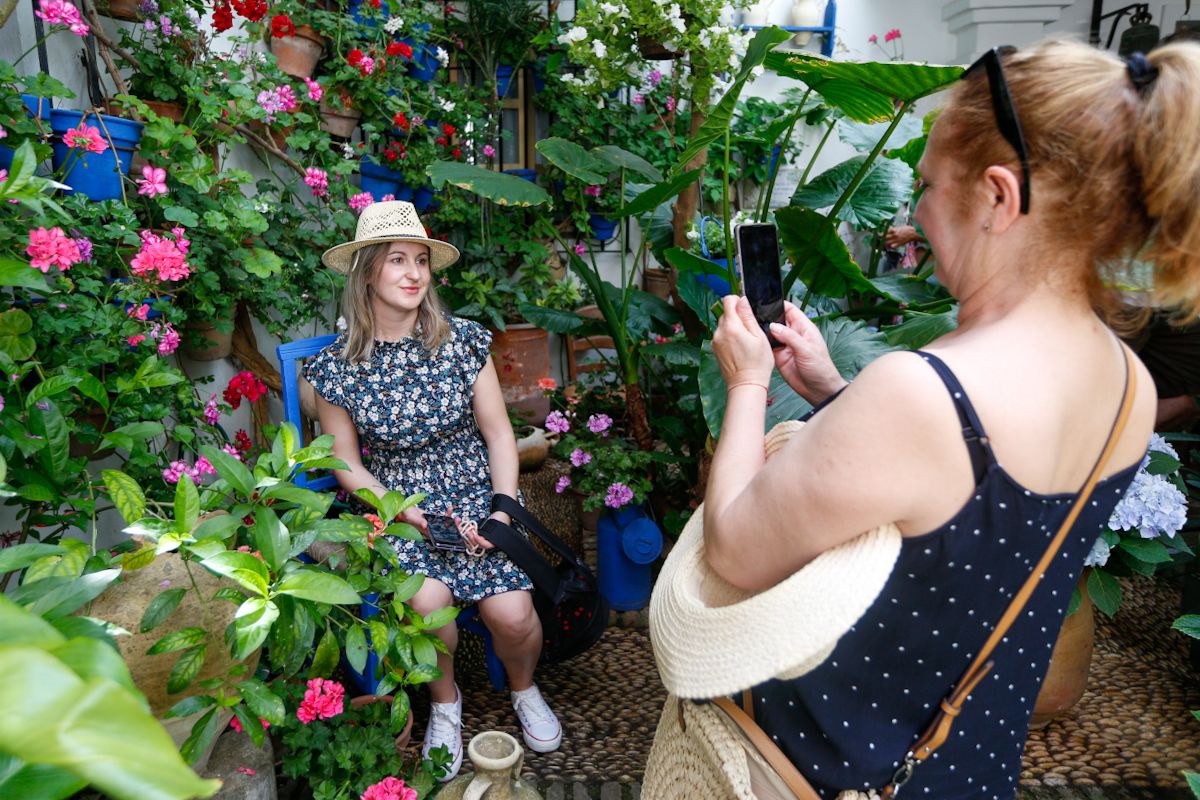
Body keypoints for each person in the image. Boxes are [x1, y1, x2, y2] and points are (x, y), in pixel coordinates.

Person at [700, 39, 1200, 797]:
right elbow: (970, 514)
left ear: (998, 197)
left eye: (928, 186)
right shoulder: (1128, 382)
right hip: (969, 760)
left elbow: (734, 547)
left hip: (834, 765)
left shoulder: (922, 391)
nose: (915, 213)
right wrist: (838, 392)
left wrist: (747, 383)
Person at [303, 201, 562, 782]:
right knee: (428, 606)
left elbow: (499, 434)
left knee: (513, 615)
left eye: (421, 260)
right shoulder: (335, 370)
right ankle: (446, 706)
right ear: (367, 271)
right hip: (395, 505)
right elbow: (346, 465)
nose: (414, 273)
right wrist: (409, 514)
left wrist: (504, 505)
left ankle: (525, 690)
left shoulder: (463, 342)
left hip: (476, 493)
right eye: (397, 260)